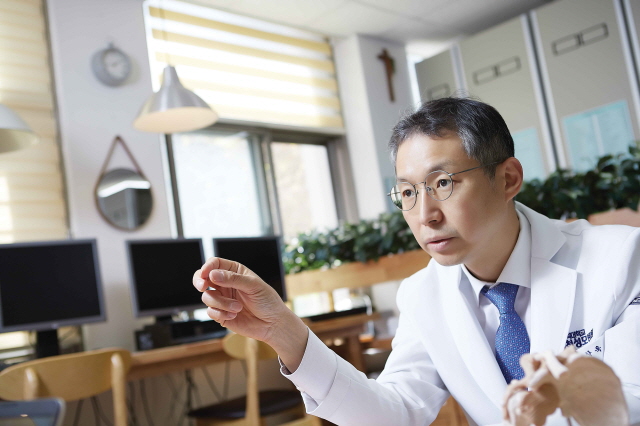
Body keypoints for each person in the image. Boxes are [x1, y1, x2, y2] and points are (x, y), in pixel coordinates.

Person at [193, 97, 640, 426]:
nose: (425, 215)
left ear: (507, 179)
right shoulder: (423, 294)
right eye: (407, 192)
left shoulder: (622, 258)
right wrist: (284, 332)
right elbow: (395, 413)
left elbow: (634, 399)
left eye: (443, 183)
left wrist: (567, 394)